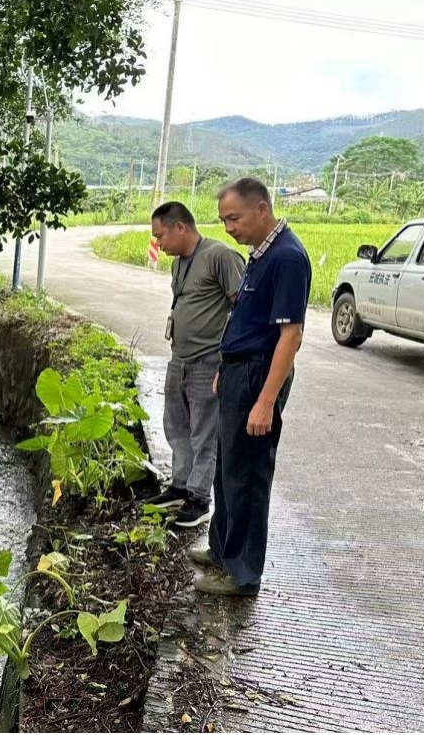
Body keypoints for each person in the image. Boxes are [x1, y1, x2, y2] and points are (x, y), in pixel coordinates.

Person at [191, 177, 311, 597]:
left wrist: (264, 400)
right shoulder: (259, 255)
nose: (229, 228)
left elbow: (290, 336)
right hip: (240, 372)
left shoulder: (287, 258)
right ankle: (222, 551)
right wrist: (229, 365)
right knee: (228, 469)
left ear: (262, 209)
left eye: (234, 218)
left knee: (248, 476)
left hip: (259, 376)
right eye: (224, 220)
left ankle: (243, 575)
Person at [142, 201, 245, 528]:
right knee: (176, 426)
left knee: (204, 432)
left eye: (161, 236)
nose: (158, 244)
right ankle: (180, 485)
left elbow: (242, 308)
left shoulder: (220, 257)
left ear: (180, 228)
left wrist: (227, 360)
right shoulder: (179, 264)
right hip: (180, 359)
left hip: (208, 361)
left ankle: (199, 499)